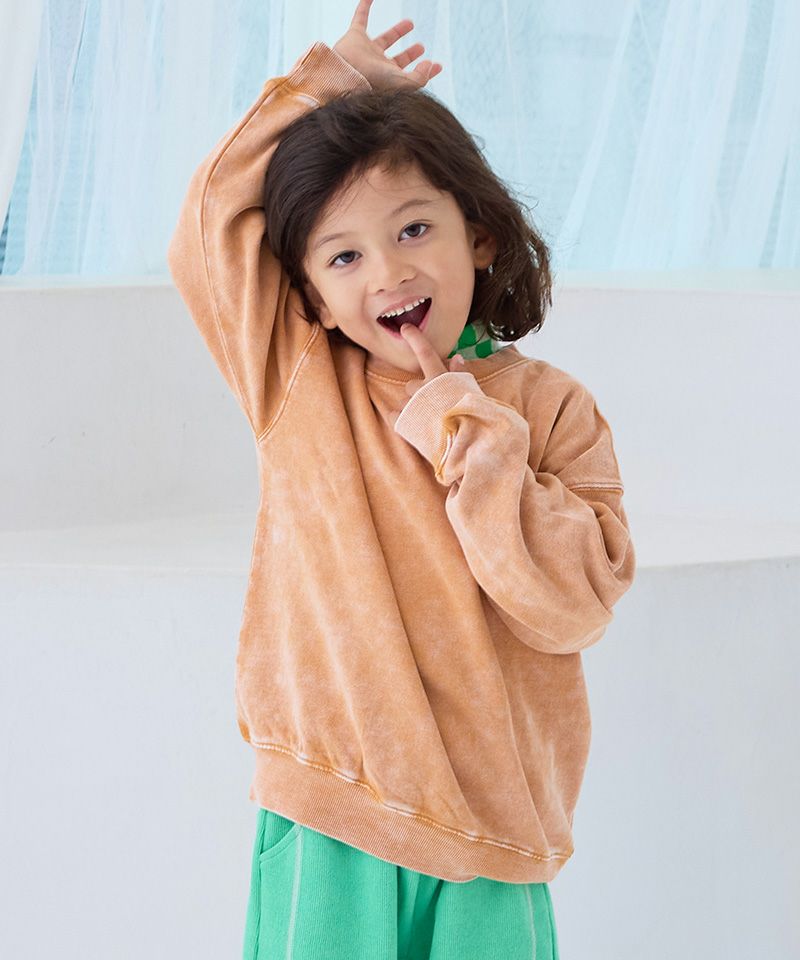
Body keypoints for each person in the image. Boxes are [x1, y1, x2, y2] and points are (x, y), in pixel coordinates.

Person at [167, 1, 636, 957]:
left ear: (481, 237)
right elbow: (210, 223)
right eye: (344, 255)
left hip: (492, 826)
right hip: (334, 798)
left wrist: (467, 427)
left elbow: (574, 606)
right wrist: (327, 81)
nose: (387, 271)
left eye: (415, 228)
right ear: (310, 295)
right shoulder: (299, 382)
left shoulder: (552, 410)